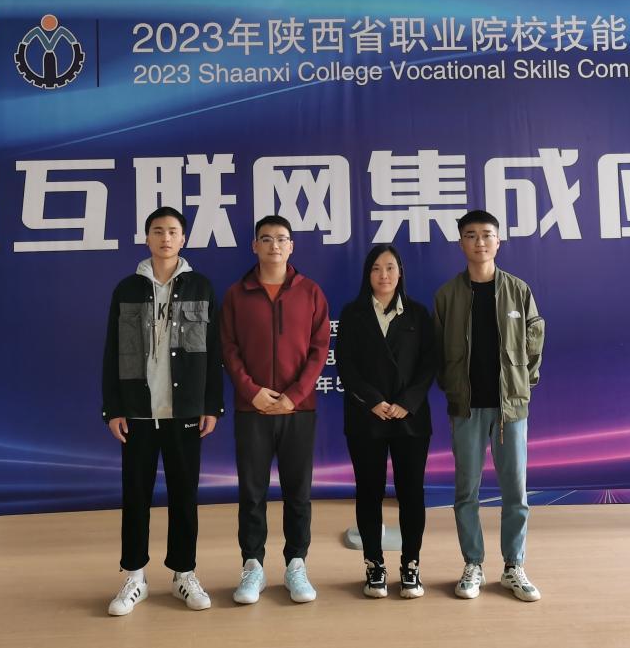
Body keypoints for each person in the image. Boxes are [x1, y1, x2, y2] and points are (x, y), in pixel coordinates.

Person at [101, 207, 223, 616]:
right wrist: (113, 408)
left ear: (183, 239)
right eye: (158, 231)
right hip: (138, 410)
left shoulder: (201, 286)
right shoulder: (127, 289)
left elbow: (214, 352)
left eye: (172, 231)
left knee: (184, 496)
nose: (165, 238)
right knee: (135, 496)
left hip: (184, 411)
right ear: (147, 238)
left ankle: (184, 574)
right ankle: (134, 575)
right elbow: (111, 352)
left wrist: (211, 405)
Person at [434, 210, 545, 602]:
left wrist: (522, 386)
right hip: (466, 408)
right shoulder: (447, 295)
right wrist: (452, 388)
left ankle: (514, 566)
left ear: (498, 241)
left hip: (509, 410)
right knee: (467, 491)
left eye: (486, 235)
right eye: (471, 235)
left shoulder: (518, 290)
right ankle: (473, 564)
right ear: (461, 242)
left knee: (516, 492)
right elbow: (437, 352)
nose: (479, 242)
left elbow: (534, 342)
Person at [221, 215, 331, 604]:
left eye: (281, 239)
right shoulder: (237, 294)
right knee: (252, 493)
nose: (274, 246)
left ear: (291, 246)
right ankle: (252, 566)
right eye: (266, 239)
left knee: (298, 492)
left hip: (298, 411)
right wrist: (252, 393)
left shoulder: (310, 292)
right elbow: (228, 348)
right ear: (254, 246)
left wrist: (293, 396)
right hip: (251, 410)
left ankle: (296, 565)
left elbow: (320, 349)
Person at [336, 243, 438, 599]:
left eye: (390, 267)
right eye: (377, 268)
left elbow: (429, 364)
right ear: (368, 274)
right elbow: (346, 365)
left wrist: (406, 403)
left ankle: (411, 565)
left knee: (411, 493)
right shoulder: (353, 314)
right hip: (368, 418)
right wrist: (374, 401)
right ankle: (374, 565)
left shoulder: (418, 314)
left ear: (400, 272)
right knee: (369, 492)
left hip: (410, 419)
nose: (384, 275)